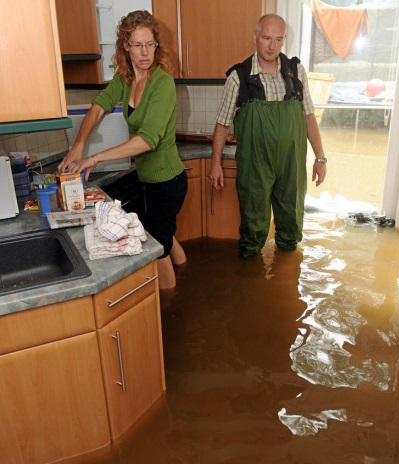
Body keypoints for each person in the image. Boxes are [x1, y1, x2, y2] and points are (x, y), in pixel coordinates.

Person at [58, 10, 187, 290]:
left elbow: (147, 140)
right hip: (148, 179)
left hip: (168, 181)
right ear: (125, 46)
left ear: (157, 45)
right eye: (138, 45)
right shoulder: (126, 78)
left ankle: (170, 305)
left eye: (150, 44)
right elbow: (99, 105)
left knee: (158, 251)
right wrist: (79, 144)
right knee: (161, 233)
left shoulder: (161, 83)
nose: (145, 53)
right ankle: (185, 272)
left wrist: (94, 157)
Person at [209, 14, 327, 257]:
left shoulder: (296, 73)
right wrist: (215, 164)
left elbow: (308, 117)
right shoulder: (239, 78)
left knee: (291, 227)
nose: (272, 46)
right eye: (266, 38)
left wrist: (320, 157)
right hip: (255, 166)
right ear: (255, 38)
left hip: (291, 165)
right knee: (252, 229)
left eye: (278, 39)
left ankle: (285, 285)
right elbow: (222, 124)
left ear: (283, 40)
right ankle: (251, 285)